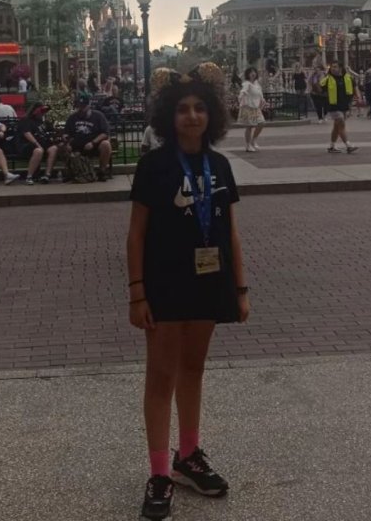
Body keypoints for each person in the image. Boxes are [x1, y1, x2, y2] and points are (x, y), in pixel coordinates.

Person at [127, 63, 250, 521]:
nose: (192, 116)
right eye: (183, 109)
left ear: (212, 113)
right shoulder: (153, 166)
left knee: (194, 370)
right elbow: (136, 234)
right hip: (164, 282)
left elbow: (231, 231)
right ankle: (159, 473)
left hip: (209, 281)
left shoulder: (220, 166)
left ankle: (189, 455)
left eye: (200, 107)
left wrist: (240, 288)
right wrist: (137, 293)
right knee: (161, 376)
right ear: (169, 116)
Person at [64, 92, 112, 181]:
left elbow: (105, 133)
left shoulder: (98, 115)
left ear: (89, 105)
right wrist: (67, 143)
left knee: (106, 144)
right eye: (79, 106)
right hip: (76, 146)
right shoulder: (72, 117)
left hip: (93, 145)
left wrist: (93, 143)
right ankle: (70, 172)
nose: (81, 108)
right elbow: (66, 133)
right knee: (61, 147)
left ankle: (102, 171)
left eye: (83, 106)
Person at [320, 61, 358, 154]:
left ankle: (332, 146)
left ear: (340, 68)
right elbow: (319, 86)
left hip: (344, 105)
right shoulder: (328, 79)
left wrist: (358, 97)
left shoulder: (348, 77)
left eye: (335, 67)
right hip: (333, 105)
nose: (333, 69)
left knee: (337, 127)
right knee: (341, 123)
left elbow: (354, 87)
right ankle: (348, 145)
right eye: (332, 67)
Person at [18, 102, 59, 185]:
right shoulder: (26, 120)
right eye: (41, 111)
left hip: (42, 144)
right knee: (39, 151)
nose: (43, 113)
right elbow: (27, 134)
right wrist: (37, 144)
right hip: (27, 145)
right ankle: (29, 176)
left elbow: (51, 133)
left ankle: (47, 175)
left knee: (53, 148)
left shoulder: (43, 121)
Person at [237, 67, 266, 152]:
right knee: (249, 126)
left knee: (261, 123)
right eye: (251, 72)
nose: (253, 74)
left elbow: (260, 94)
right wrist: (241, 95)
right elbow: (243, 90)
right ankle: (248, 145)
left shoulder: (257, 84)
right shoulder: (247, 83)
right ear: (248, 74)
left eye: (254, 72)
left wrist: (262, 100)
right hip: (248, 107)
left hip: (256, 107)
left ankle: (254, 140)